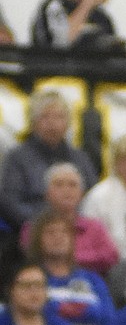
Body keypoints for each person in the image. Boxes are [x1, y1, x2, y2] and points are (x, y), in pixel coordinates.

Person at [0, 90, 97, 232]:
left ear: (68, 123)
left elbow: (92, 198)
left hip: (77, 232)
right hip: (32, 233)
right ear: (32, 122)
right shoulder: (17, 158)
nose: (52, 123)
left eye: (59, 117)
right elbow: (10, 202)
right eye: (44, 117)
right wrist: (47, 227)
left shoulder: (80, 158)